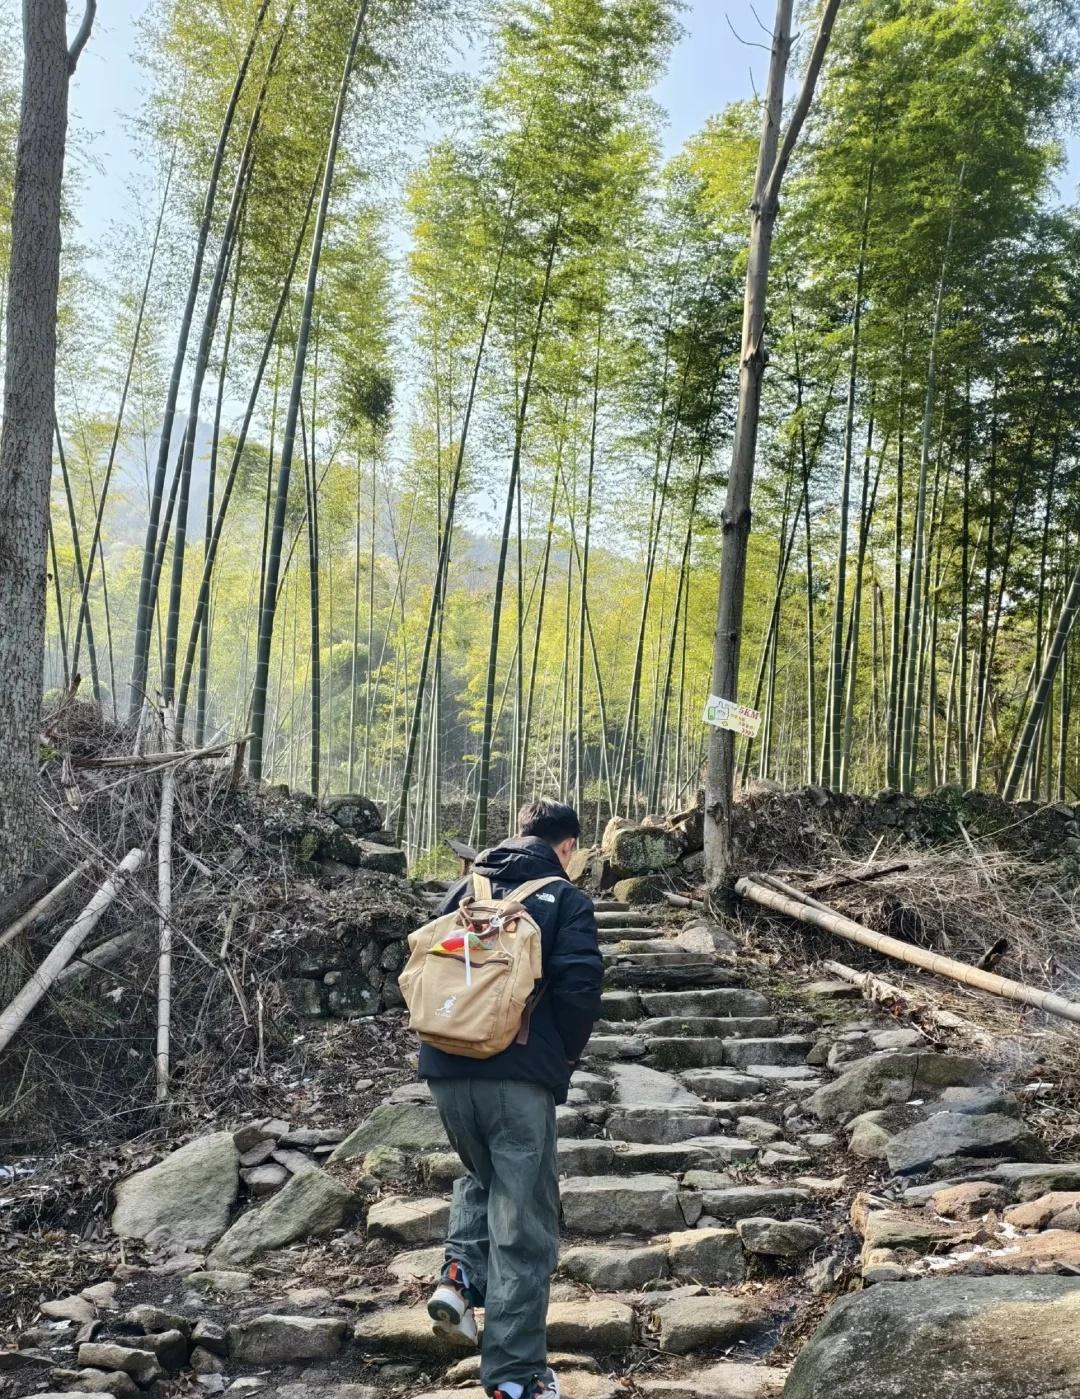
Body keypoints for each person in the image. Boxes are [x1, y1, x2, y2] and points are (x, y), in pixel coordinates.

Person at [420, 799, 603, 1399]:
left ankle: (459, 1275)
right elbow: (580, 987)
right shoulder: (566, 898)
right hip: (518, 1076)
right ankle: (515, 1378)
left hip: (447, 1067)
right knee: (524, 1231)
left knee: (484, 1174)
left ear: (520, 833)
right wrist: (563, 1058)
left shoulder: (464, 888)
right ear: (568, 845)